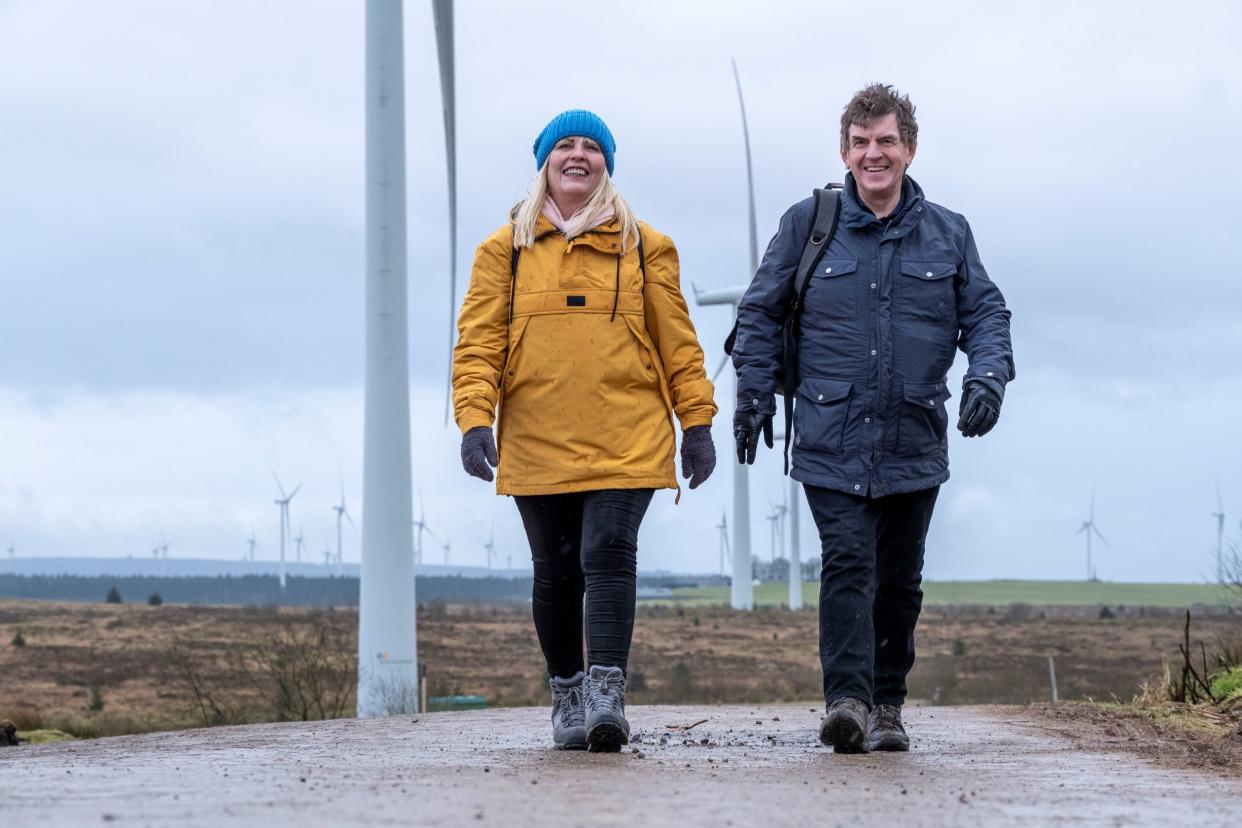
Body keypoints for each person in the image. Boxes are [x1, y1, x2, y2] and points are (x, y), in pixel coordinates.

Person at [732, 85, 1014, 753]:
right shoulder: (810, 223)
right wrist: (753, 394)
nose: (874, 154)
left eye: (886, 141)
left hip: (914, 434)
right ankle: (848, 702)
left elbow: (987, 314)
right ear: (844, 151)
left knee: (900, 579)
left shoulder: (948, 231)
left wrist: (988, 378)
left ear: (909, 149)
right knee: (849, 562)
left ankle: (888, 704)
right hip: (831, 433)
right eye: (861, 143)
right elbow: (759, 311)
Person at [451, 110, 718, 752]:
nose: (578, 156)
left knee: (606, 551)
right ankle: (567, 690)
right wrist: (473, 419)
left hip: (627, 431)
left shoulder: (646, 246)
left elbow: (678, 341)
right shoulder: (503, 251)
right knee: (556, 570)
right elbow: (478, 344)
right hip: (539, 435)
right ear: (543, 161)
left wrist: (697, 421)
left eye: (591, 148)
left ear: (607, 165)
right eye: (564, 146)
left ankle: (606, 693)